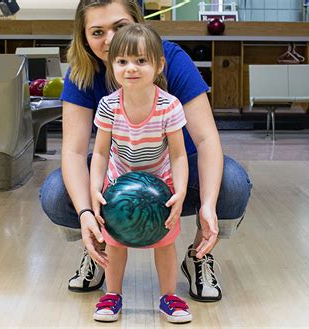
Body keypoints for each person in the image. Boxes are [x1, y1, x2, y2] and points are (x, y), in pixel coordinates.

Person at [39, 0, 252, 303]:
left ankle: (198, 256)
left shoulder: (172, 59)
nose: (110, 39)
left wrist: (207, 205)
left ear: (139, 24)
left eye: (120, 26)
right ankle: (98, 251)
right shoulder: (83, 72)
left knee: (230, 182)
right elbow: (75, 153)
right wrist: (86, 211)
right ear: (84, 37)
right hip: (119, 170)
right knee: (57, 192)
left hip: (174, 174)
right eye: (98, 31)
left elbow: (206, 141)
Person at [90, 23, 191, 322]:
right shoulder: (108, 106)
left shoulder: (169, 106)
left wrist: (181, 190)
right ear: (112, 66)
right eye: (122, 62)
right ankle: (112, 294)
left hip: (160, 184)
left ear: (159, 65)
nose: (130, 68)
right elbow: (99, 152)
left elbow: (178, 154)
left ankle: (169, 296)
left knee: (165, 243)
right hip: (118, 183)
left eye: (141, 61)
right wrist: (96, 188)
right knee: (116, 244)